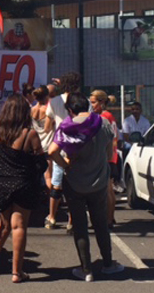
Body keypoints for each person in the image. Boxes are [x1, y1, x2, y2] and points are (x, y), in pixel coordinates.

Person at [49, 92, 124, 282]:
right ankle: (108, 264)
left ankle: (86, 269)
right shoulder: (102, 123)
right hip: (98, 182)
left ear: (70, 110)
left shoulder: (67, 127)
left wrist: (65, 165)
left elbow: (52, 152)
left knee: (80, 227)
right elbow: (109, 152)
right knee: (100, 225)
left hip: (74, 183)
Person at [0, 94, 46, 283]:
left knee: (2, 225)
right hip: (23, 183)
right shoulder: (30, 134)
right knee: (19, 226)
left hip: (1, 183)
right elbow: (41, 164)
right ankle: (17, 273)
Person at [44, 72, 82, 232]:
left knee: (57, 183)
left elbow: (47, 126)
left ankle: (51, 217)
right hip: (78, 147)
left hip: (59, 147)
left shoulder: (54, 102)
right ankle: (72, 221)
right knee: (75, 186)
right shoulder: (82, 100)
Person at [90, 90, 120, 229]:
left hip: (108, 156)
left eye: (94, 102)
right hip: (112, 155)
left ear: (102, 102)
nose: (92, 105)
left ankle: (108, 219)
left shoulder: (105, 117)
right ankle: (110, 217)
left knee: (107, 189)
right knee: (109, 189)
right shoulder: (109, 116)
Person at [31, 85, 53, 194]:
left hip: (36, 145)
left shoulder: (32, 110)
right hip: (48, 145)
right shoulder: (49, 111)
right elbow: (48, 128)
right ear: (46, 96)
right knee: (48, 176)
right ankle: (51, 203)